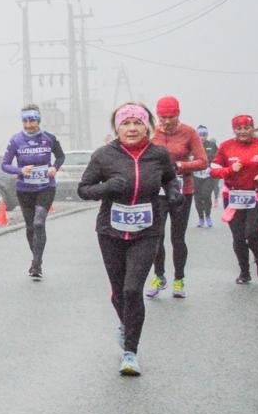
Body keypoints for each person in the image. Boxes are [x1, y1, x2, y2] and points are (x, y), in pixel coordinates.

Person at [77, 102, 181, 375]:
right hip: (110, 232)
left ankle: (130, 352)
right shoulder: (103, 155)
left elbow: (170, 178)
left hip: (146, 231)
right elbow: (84, 190)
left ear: (147, 127)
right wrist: (107, 187)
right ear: (117, 128)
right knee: (118, 292)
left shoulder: (158, 154)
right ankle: (127, 323)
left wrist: (173, 193)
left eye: (137, 123)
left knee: (132, 290)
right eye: (126, 123)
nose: (132, 128)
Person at [145, 96, 207, 299]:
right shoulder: (151, 132)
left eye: (170, 116)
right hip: (157, 192)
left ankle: (179, 279)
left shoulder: (189, 132)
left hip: (182, 191)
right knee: (156, 236)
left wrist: (180, 166)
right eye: (162, 117)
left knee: (177, 238)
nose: (166, 121)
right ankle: (159, 276)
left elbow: (203, 161)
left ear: (178, 114)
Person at [208, 114, 258, 284]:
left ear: (252, 128)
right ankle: (244, 272)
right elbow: (213, 170)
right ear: (234, 130)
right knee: (238, 237)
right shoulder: (226, 146)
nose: (242, 132)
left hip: (257, 195)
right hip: (234, 196)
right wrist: (230, 170)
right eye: (238, 129)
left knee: (252, 233)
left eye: (246, 128)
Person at [0, 104, 65, 280]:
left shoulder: (49, 138)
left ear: (39, 120)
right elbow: (5, 165)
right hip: (24, 189)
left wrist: (54, 167)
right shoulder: (16, 140)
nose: (29, 125)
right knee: (30, 226)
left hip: (46, 187)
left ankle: (36, 263)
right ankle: (37, 259)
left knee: (38, 223)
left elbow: (61, 156)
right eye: (25, 121)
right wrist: (20, 170)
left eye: (32, 121)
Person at [192, 124, 221, 228]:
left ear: (207, 135)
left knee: (206, 195)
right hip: (195, 176)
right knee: (197, 197)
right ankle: (201, 218)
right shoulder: (191, 145)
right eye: (200, 135)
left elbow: (218, 158)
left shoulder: (212, 145)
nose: (202, 137)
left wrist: (213, 167)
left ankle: (208, 216)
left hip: (208, 176)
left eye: (204, 135)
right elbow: (186, 158)